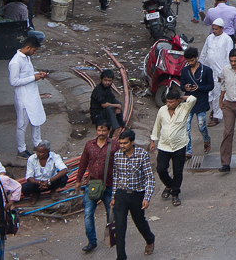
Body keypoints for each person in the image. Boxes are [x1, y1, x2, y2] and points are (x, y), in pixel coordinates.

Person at [110, 128, 156, 260]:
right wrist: (113, 196)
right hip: (121, 194)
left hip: (137, 194)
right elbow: (116, 177)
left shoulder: (142, 155)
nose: (122, 146)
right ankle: (121, 257)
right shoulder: (117, 156)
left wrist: (147, 197)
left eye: (125, 143)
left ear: (132, 142)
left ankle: (149, 239)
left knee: (139, 222)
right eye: (120, 143)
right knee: (119, 226)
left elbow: (149, 178)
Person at [149, 85, 194, 205]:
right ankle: (169, 185)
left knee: (177, 171)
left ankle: (175, 194)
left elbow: (192, 99)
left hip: (179, 145)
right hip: (164, 145)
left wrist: (181, 97)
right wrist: (153, 140)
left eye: (171, 102)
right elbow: (157, 125)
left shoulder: (184, 108)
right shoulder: (162, 110)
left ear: (178, 101)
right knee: (161, 169)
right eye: (167, 101)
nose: (168, 104)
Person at [79, 123, 116, 254]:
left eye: (104, 130)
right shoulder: (89, 145)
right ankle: (91, 242)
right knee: (88, 214)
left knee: (110, 213)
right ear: (95, 130)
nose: (101, 132)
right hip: (92, 185)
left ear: (108, 131)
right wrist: (78, 180)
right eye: (99, 129)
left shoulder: (114, 146)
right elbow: (83, 162)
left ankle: (112, 237)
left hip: (109, 185)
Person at [9, 34, 47, 159]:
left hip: (32, 95)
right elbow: (13, 82)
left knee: (36, 120)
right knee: (22, 124)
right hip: (22, 97)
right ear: (27, 47)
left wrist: (37, 74)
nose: (34, 53)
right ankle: (21, 149)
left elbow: (28, 74)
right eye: (34, 50)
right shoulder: (15, 62)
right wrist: (33, 77)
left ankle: (37, 144)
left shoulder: (26, 57)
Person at [178, 48, 213, 155]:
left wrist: (199, 88)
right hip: (188, 103)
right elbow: (182, 86)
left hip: (201, 102)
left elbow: (211, 86)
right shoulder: (185, 71)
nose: (190, 63)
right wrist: (186, 87)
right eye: (188, 61)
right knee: (186, 127)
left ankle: (206, 139)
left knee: (201, 126)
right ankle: (188, 150)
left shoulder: (206, 70)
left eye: (192, 61)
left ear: (196, 58)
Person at [200, 20, 233, 124]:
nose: (214, 31)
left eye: (216, 29)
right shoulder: (210, 38)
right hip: (209, 71)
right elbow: (204, 53)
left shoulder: (227, 40)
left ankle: (216, 116)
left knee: (217, 94)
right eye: (212, 29)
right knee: (209, 93)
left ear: (222, 29)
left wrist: (223, 73)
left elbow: (227, 57)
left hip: (219, 72)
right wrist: (200, 67)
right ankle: (213, 111)